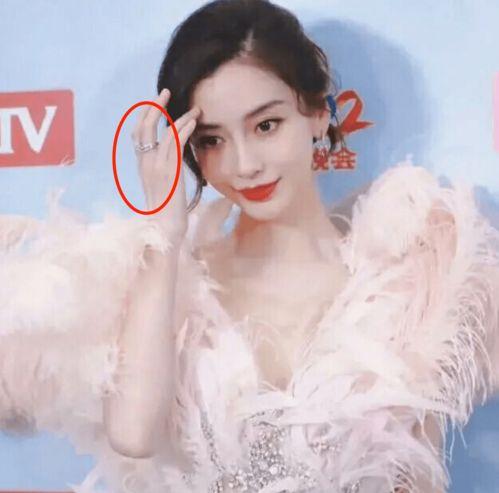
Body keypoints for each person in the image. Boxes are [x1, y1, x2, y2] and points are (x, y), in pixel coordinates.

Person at [1, 1, 499, 492]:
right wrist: (164, 231)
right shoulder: (171, 287)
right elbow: (132, 436)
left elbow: (417, 472)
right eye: (212, 140)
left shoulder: (409, 281)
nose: (244, 165)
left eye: (265, 126)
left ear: (318, 112)